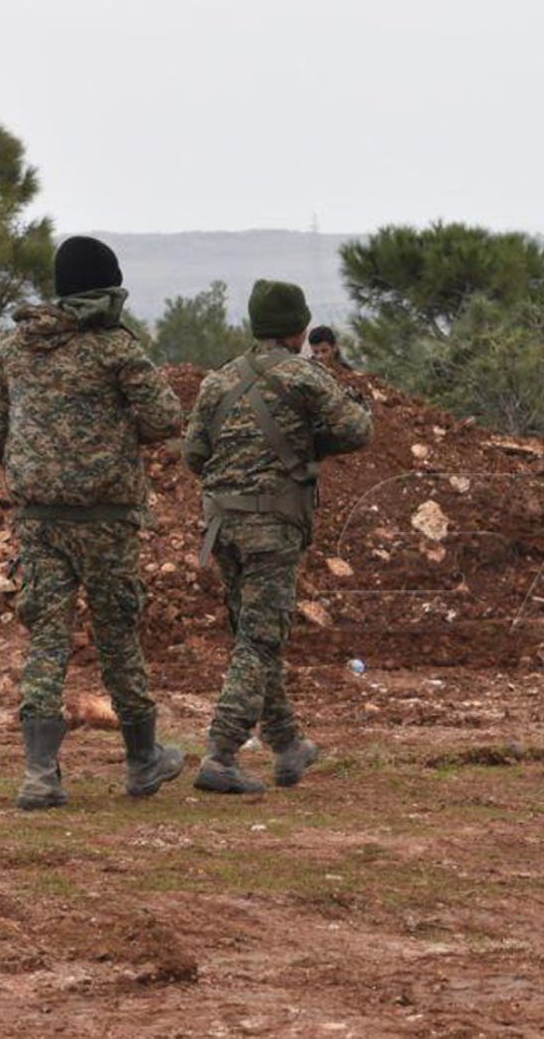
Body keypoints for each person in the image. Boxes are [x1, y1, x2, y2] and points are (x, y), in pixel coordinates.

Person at [0, 235, 187, 810]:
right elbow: (166, 418)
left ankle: (40, 774)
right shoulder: (117, 349)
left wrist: (41, 469)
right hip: (105, 519)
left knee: (46, 638)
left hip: (38, 519)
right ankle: (144, 760)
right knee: (117, 633)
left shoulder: (16, 348)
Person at [183, 280, 373, 793]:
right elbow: (358, 431)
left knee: (255, 634)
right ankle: (220, 755)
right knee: (260, 640)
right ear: (299, 328)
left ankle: (288, 745)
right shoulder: (304, 377)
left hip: (222, 525)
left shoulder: (218, 381)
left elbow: (194, 455)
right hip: (272, 529)